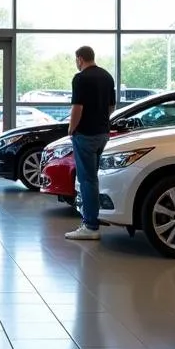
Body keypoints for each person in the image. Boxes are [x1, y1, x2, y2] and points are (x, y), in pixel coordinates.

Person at [65, 45, 116, 240]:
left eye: (76, 60)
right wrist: (100, 118)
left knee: (87, 180)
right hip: (103, 133)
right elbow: (111, 106)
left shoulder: (80, 78)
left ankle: (91, 226)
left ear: (80, 59)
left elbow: (77, 107)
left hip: (85, 134)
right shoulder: (107, 76)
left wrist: (72, 129)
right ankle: (91, 221)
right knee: (92, 178)